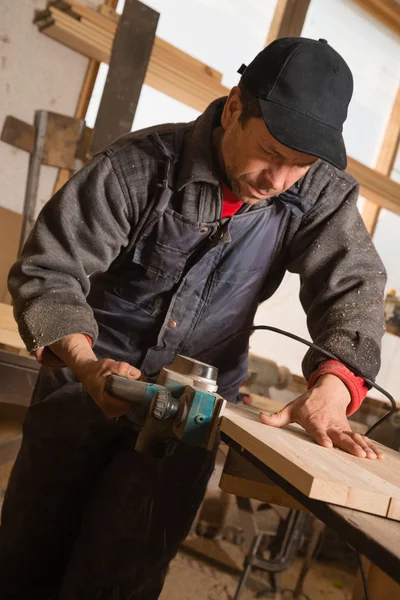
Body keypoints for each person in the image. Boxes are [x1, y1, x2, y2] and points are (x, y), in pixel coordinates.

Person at [0, 37, 386, 599]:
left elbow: (354, 286)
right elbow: (49, 271)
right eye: (271, 152)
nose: (279, 180)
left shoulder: (319, 192)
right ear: (234, 108)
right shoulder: (136, 168)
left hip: (190, 416)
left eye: (298, 166)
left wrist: (333, 387)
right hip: (82, 389)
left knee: (120, 580)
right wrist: (86, 366)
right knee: (26, 561)